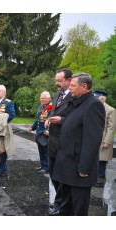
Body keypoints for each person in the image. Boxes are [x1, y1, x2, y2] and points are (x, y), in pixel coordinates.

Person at [52, 72, 105, 215]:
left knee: (78, 210)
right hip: (67, 165)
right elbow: (75, 123)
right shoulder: (75, 101)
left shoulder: (94, 105)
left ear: (84, 86)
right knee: (66, 208)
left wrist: (84, 168)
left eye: (73, 86)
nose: (70, 89)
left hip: (78, 169)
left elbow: (92, 139)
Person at [46, 68, 73, 215]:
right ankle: (58, 202)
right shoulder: (58, 94)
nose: (57, 83)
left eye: (60, 81)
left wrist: (62, 120)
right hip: (53, 143)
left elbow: (77, 118)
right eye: (56, 80)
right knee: (53, 175)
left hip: (64, 144)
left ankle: (62, 206)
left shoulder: (74, 97)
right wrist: (49, 118)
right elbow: (54, 111)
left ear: (69, 80)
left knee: (63, 177)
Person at [93, 90, 116, 187]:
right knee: (94, 159)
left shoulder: (111, 110)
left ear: (102, 99)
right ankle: (94, 177)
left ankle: (101, 178)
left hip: (103, 139)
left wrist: (107, 141)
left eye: (96, 98)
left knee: (101, 160)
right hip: (94, 138)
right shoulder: (94, 108)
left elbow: (111, 128)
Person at [28, 91, 52, 174]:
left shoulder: (51, 107)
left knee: (46, 151)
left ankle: (46, 167)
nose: (41, 100)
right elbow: (38, 120)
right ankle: (42, 165)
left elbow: (51, 120)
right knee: (40, 150)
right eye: (41, 98)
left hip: (45, 133)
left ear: (48, 98)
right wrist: (32, 127)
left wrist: (48, 130)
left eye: (43, 98)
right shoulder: (41, 107)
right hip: (39, 132)